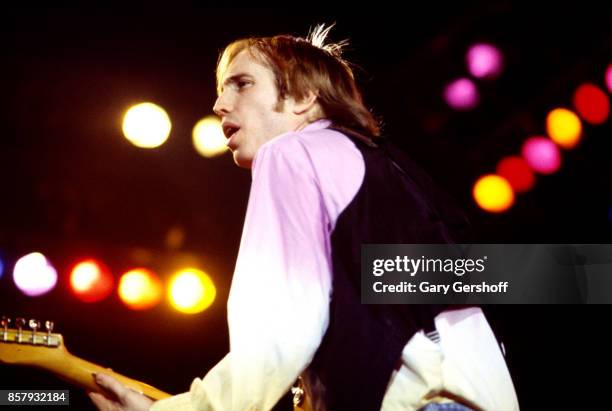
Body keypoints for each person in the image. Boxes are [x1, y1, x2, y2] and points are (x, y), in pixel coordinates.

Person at [89, 24, 519, 411]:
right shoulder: (391, 170)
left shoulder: (292, 152)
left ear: (302, 97)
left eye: (241, 84)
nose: (219, 104)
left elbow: (282, 322)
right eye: (222, 88)